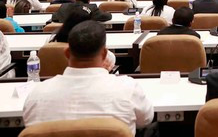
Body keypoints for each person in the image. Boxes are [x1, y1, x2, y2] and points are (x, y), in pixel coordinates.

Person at [23, 21, 153, 133]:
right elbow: (146, 120)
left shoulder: (36, 96)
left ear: (67, 53)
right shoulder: (128, 89)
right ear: (104, 54)